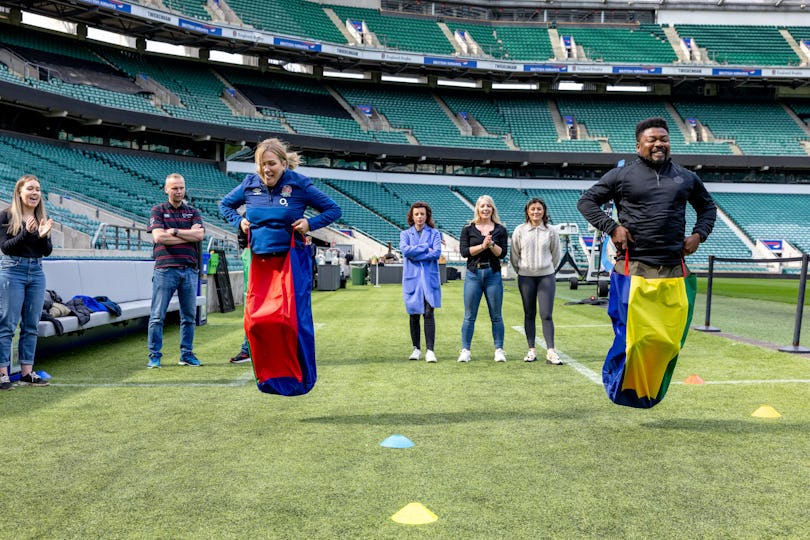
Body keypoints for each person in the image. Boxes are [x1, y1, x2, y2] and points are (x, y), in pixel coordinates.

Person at [219, 138, 341, 392]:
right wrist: (239, 221)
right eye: (262, 165)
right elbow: (225, 205)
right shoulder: (249, 185)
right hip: (259, 261)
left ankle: (300, 377)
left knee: (292, 321)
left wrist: (310, 224)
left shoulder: (299, 184)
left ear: (283, 164)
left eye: (272, 164)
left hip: (291, 261)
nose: (266, 169)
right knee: (256, 322)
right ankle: (268, 376)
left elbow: (333, 209)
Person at [577, 117, 716, 275]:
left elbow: (708, 207)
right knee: (627, 301)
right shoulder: (621, 175)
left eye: (664, 139)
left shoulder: (687, 177)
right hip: (632, 264)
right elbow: (586, 202)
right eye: (652, 140)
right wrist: (613, 228)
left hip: (674, 265)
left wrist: (699, 235)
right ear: (638, 146)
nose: (659, 144)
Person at [146, 173, 205, 369]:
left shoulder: (193, 212)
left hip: (189, 270)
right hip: (165, 269)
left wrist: (175, 232)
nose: (179, 191)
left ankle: (186, 354)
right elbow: (159, 238)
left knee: (188, 316)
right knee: (157, 316)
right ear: (166, 189)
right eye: (174, 188)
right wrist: (187, 236)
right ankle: (154, 355)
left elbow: (199, 235)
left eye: (181, 188)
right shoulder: (158, 211)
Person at [0, 175, 54, 390]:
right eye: (30, 188)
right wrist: (26, 233)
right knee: (7, 325)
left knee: (31, 326)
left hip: (37, 272)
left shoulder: (42, 217)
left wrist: (42, 237)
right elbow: (6, 247)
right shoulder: (5, 216)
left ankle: (27, 373)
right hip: (12, 271)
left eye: (38, 189)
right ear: (19, 192)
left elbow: (46, 251)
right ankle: (3, 374)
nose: (35, 193)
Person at [510, 197, 563, 365]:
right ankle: (531, 350)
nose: (536, 212)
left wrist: (547, 269)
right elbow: (514, 255)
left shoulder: (551, 231)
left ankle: (551, 351)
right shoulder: (520, 230)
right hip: (526, 277)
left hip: (546, 276)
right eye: (533, 209)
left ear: (544, 211)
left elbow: (556, 255)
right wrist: (522, 270)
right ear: (527, 211)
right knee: (529, 313)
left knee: (546, 314)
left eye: (539, 209)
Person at [458, 195, 508, 363]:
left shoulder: (500, 229)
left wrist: (492, 244)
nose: (485, 209)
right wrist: (482, 246)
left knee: (496, 315)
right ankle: (465, 350)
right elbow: (464, 252)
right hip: (473, 275)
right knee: (469, 316)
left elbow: (502, 253)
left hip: (493, 274)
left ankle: (499, 349)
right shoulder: (468, 228)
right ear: (477, 209)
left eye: (488, 206)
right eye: (482, 206)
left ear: (492, 209)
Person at [399, 201, 442, 363]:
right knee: (414, 314)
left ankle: (430, 350)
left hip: (429, 279)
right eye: (416, 214)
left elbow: (436, 253)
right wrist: (425, 248)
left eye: (422, 214)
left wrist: (415, 253)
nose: (419, 217)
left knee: (429, 312)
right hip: (412, 279)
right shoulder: (405, 234)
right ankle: (416, 348)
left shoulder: (435, 233)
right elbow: (405, 251)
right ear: (412, 216)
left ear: (427, 216)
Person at [228, 227, 251, 364]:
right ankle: (247, 349)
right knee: (251, 306)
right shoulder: (250, 212)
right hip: (254, 255)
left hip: (278, 258)